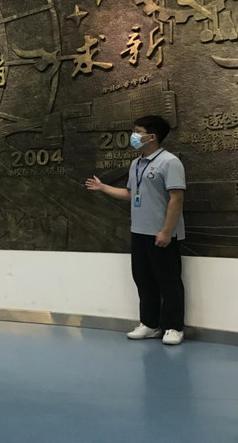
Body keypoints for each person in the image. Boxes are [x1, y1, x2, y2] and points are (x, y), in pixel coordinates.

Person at [85, 115, 186, 345]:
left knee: (169, 281)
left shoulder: (170, 162)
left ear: (152, 136)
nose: (133, 136)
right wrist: (103, 187)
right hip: (139, 232)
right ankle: (150, 324)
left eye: (138, 131)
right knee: (143, 279)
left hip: (162, 233)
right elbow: (131, 194)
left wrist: (166, 231)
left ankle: (173, 327)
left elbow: (176, 198)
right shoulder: (136, 164)